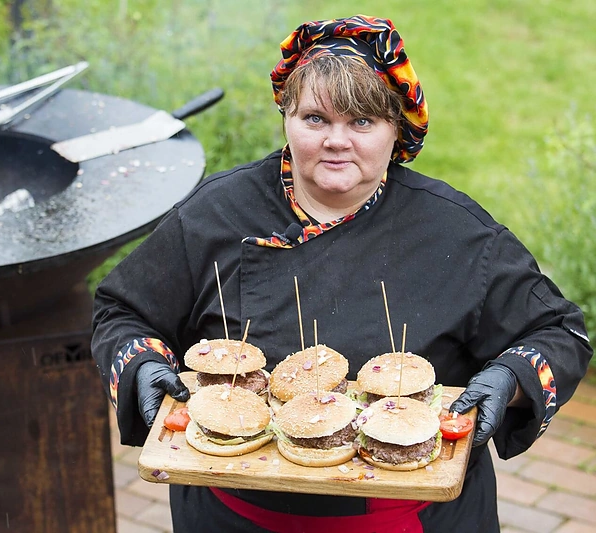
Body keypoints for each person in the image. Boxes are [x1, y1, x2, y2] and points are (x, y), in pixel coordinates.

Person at [91, 14, 593, 532]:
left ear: (397, 128)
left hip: (412, 519)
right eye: (315, 119)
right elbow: (121, 313)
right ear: (286, 116)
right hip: (233, 516)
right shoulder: (213, 214)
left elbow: (561, 332)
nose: (337, 141)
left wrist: (507, 378)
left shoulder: (458, 232)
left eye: (361, 122)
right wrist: (142, 367)